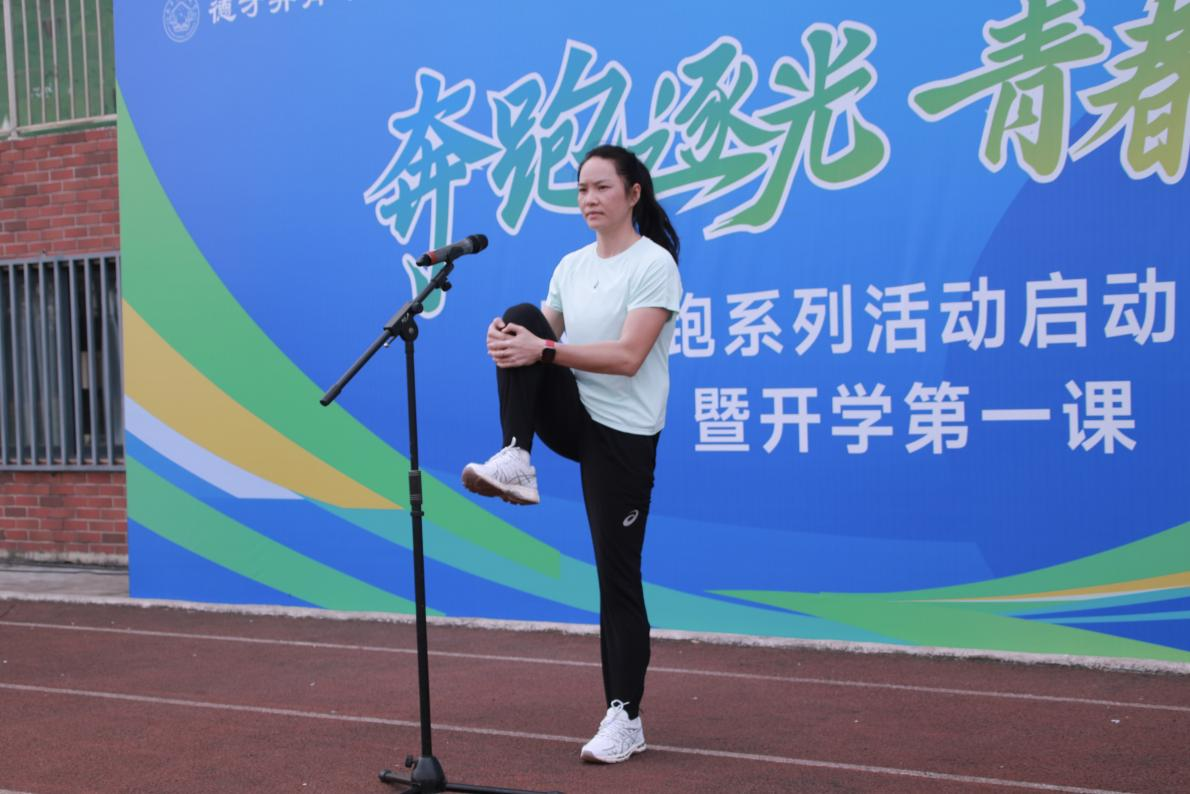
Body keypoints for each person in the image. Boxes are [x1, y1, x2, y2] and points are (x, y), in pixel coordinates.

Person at [461, 144, 682, 764]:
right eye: (582, 188)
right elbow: (542, 336)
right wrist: (510, 342)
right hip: (575, 415)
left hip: (624, 436)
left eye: (602, 187)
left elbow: (628, 356)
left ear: (633, 194)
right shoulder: (570, 265)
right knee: (518, 317)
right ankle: (516, 457)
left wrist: (543, 351)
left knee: (617, 576)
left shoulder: (654, 264)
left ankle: (626, 717)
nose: (589, 199)